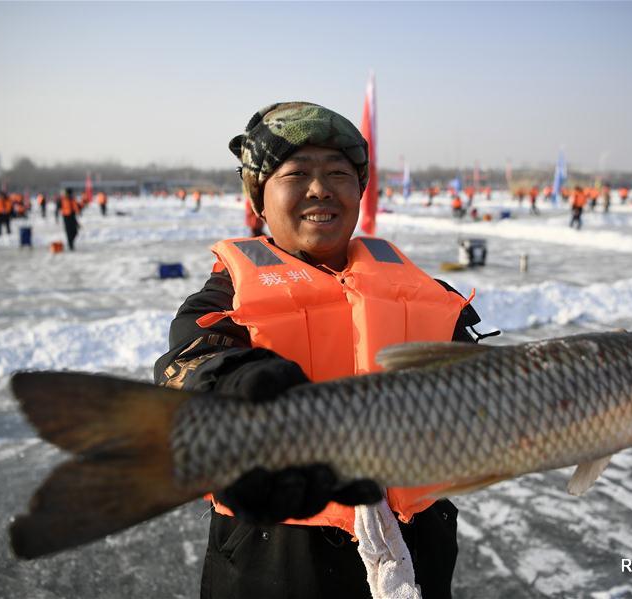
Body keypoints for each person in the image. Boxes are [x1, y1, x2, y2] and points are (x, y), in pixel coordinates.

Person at [154, 102, 488, 599]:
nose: (320, 188)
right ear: (259, 199)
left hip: (415, 547)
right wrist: (244, 385)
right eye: (297, 173)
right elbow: (191, 365)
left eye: (338, 173)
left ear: (359, 190)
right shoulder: (222, 302)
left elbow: (492, 394)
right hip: (275, 558)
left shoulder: (425, 294)